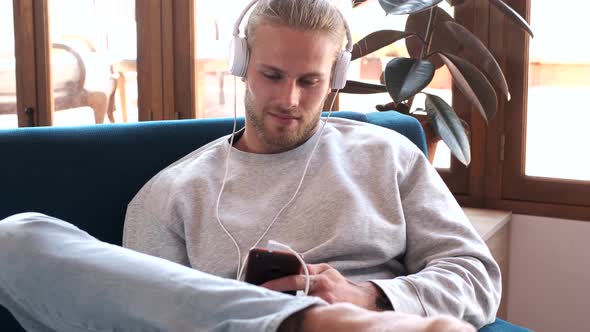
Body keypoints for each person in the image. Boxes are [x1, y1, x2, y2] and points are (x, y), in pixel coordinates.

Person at [0, 0, 495, 331]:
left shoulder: (387, 155)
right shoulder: (171, 194)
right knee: (16, 238)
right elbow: (142, 318)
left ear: (336, 79)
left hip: (378, 325)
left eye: (310, 81)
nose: (289, 98)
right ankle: (303, 323)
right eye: (272, 75)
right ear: (241, 64)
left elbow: (477, 277)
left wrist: (369, 298)